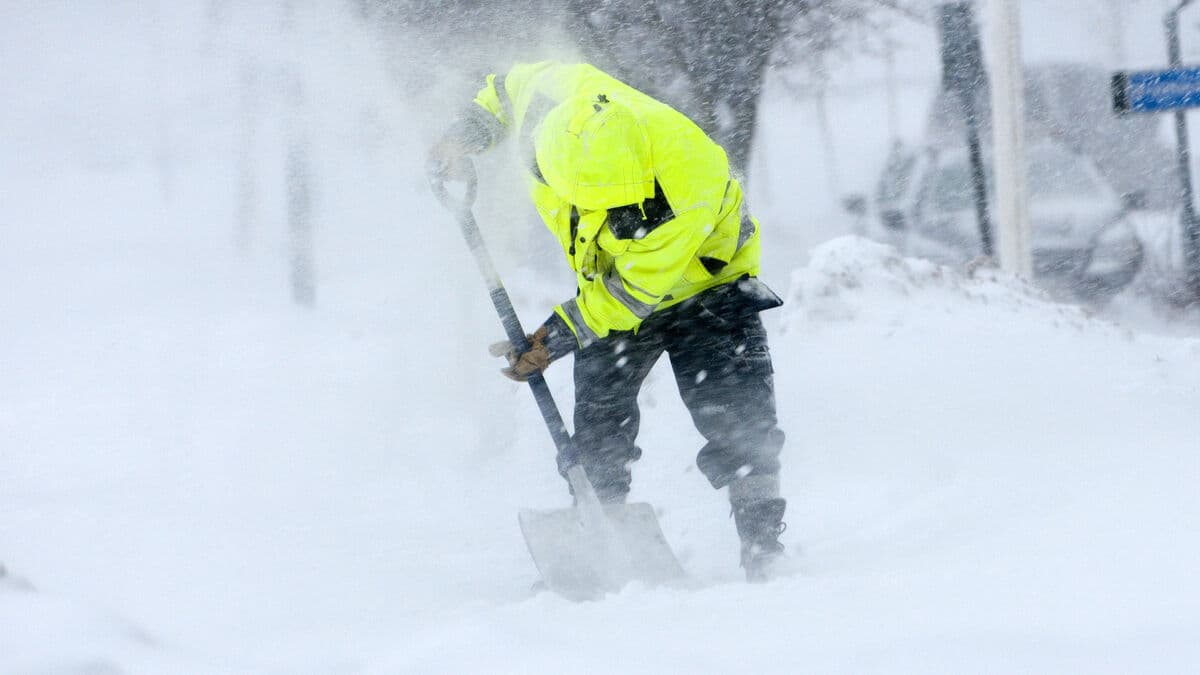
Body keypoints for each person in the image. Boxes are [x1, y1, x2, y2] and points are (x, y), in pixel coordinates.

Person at [429, 62, 787, 581]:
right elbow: (504, 89)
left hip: (710, 286)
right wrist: (462, 137)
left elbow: (633, 294)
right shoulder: (556, 96)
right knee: (599, 420)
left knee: (739, 418)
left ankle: (764, 547)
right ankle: (603, 533)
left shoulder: (691, 179)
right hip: (614, 284)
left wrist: (554, 337)